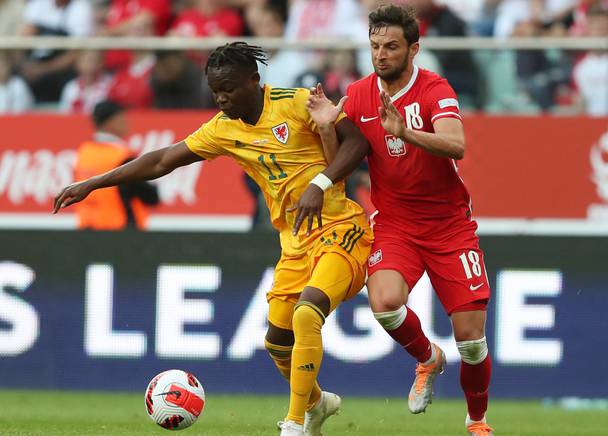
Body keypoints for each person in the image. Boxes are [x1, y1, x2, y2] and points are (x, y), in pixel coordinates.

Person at [54, 42, 373, 436]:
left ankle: (294, 424)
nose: (222, 98)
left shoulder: (297, 103)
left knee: (307, 313)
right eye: (215, 90)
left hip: (342, 227)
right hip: (295, 243)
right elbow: (162, 160)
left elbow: (357, 143)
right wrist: (93, 183)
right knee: (277, 343)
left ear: (255, 81)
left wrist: (320, 184)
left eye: (230, 89)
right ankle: (317, 402)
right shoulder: (223, 129)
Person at [299, 4, 494, 435]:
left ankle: (477, 421)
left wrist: (404, 131)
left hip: (449, 226)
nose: (381, 54)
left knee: (472, 341)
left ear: (414, 48)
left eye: (390, 46)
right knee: (384, 302)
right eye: (374, 46)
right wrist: (330, 127)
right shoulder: (359, 93)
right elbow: (341, 168)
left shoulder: (434, 89)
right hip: (396, 223)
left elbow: (456, 144)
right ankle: (428, 359)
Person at [73, 100, 160, 230]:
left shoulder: (83, 152)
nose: (127, 123)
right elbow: (150, 197)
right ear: (110, 122)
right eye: (122, 118)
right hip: (120, 231)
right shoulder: (122, 157)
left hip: (87, 230)